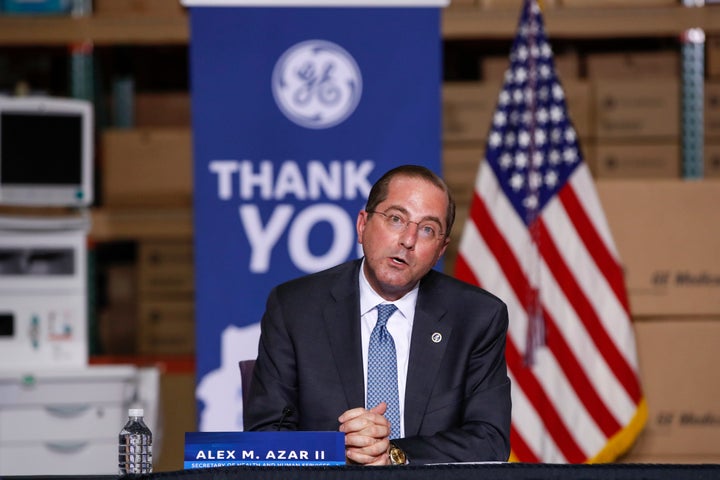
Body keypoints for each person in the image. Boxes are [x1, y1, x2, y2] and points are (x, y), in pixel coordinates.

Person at [244, 164, 511, 465]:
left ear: (440, 250)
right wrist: (343, 450)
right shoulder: (294, 309)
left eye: (427, 229)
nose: (408, 240)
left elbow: (489, 439)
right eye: (396, 219)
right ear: (362, 225)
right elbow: (267, 436)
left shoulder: (476, 317)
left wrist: (393, 455)